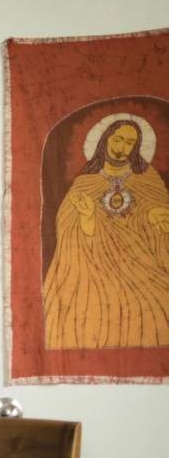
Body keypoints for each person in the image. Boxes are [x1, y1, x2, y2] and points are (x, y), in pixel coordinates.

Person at [43, 116, 169, 349]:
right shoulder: (85, 183)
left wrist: (155, 217)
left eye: (129, 143)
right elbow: (68, 232)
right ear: (105, 140)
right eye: (118, 139)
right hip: (95, 266)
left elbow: (157, 212)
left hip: (141, 263)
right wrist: (88, 217)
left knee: (158, 302)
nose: (121, 148)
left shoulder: (147, 179)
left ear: (136, 147)